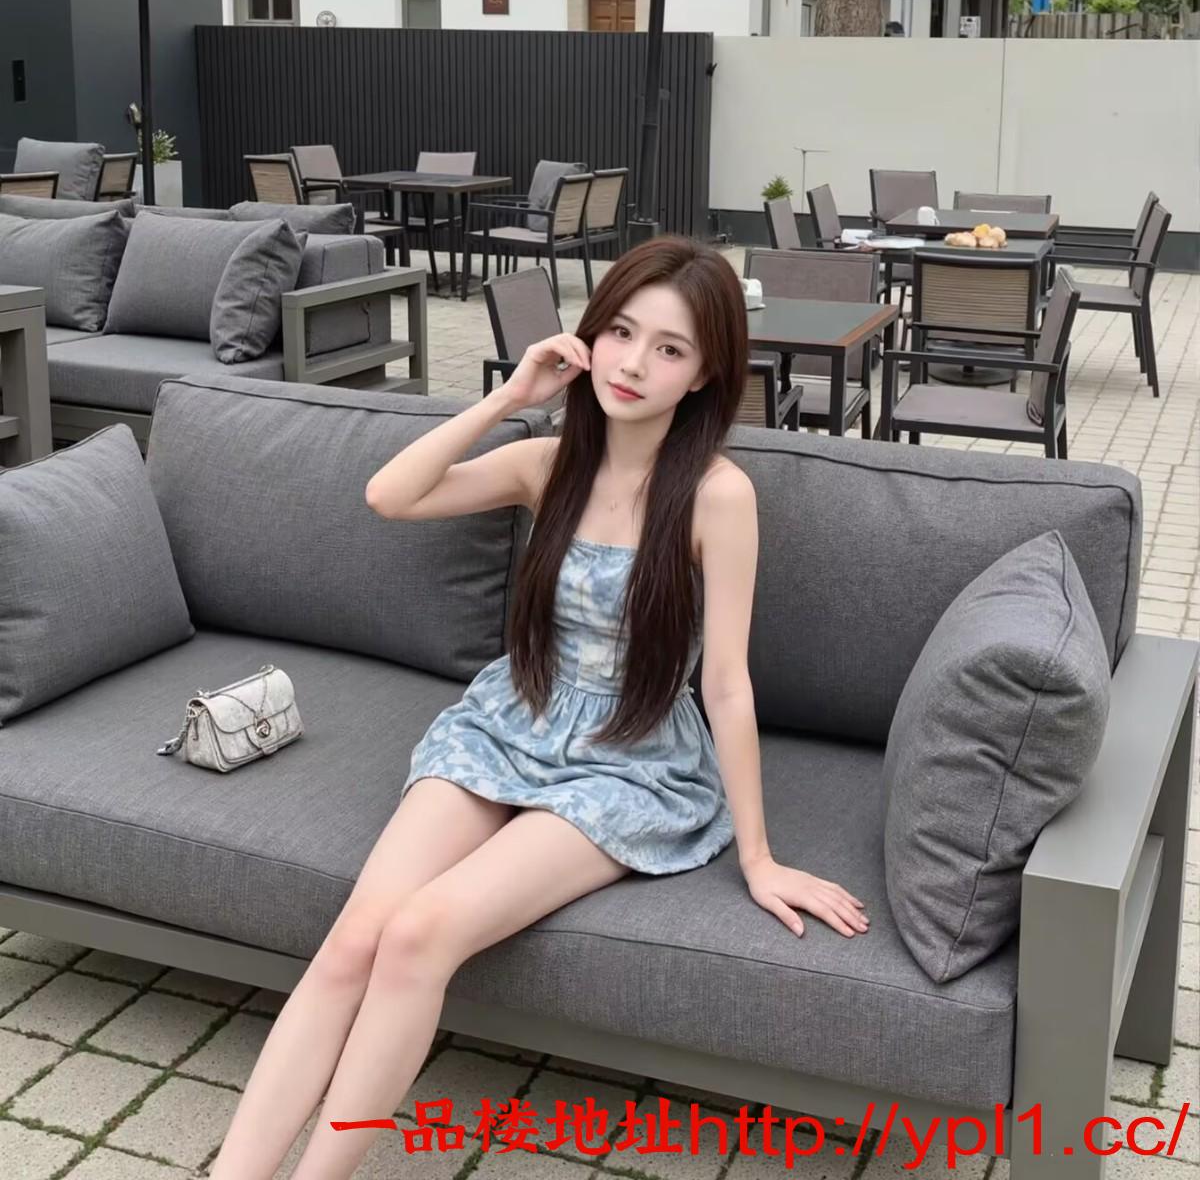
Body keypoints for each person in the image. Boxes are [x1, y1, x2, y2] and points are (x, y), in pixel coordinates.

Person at [208, 234, 869, 1180]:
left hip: (629, 759)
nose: (633, 363)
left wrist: (759, 858)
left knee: (421, 933)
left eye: (670, 349)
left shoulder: (718, 497)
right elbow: (389, 495)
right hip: (511, 721)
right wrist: (507, 400)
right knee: (354, 937)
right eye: (621, 332)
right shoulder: (545, 463)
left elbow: (726, 681)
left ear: (704, 373)